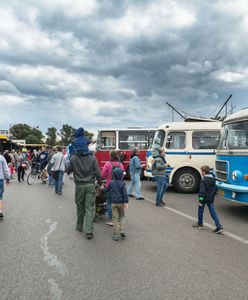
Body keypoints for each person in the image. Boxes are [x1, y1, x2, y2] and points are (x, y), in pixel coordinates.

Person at [66, 151, 102, 240]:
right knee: (89, 207)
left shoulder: (74, 157)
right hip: (90, 185)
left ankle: (79, 226)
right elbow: (98, 172)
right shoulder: (93, 157)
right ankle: (89, 231)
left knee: (80, 205)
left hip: (79, 186)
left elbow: (68, 171)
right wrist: (100, 183)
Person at [192, 165, 224, 234]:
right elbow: (215, 189)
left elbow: (202, 192)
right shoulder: (213, 179)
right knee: (213, 213)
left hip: (203, 199)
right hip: (211, 199)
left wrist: (200, 200)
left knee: (200, 211)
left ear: (203, 172)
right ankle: (219, 227)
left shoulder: (204, 180)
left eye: (201, 171)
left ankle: (200, 224)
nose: (201, 173)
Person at [104, 168, 128, 241]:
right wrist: (126, 202)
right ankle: (122, 231)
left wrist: (103, 188)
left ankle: (116, 235)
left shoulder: (111, 182)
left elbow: (106, 190)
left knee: (115, 219)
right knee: (122, 216)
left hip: (113, 203)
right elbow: (125, 194)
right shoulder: (123, 183)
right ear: (121, 175)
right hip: (121, 203)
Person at [101, 151, 125, 226]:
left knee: (109, 202)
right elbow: (123, 174)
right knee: (118, 202)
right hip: (119, 185)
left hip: (110, 185)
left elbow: (102, 175)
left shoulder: (107, 164)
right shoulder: (120, 164)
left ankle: (111, 219)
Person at [0, 154, 10, 219]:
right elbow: (5, 168)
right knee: (0, 195)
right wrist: (8, 178)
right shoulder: (1, 157)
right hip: (0, 178)